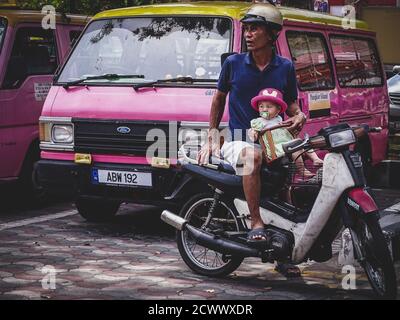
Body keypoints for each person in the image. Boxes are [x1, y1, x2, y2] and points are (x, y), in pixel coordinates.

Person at [197, 3, 307, 277]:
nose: (247, 33)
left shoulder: (285, 67)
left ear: (271, 34)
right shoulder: (233, 63)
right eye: (246, 28)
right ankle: (256, 223)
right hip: (238, 140)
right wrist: (212, 135)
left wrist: (300, 116)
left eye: (254, 28)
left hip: (274, 141)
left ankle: (283, 253)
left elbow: (291, 104)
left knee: (285, 188)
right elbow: (218, 99)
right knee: (253, 156)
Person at [249, 88, 323, 174]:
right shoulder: (258, 121)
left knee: (305, 143)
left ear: (278, 110)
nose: (264, 109)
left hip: (287, 143)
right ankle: (302, 170)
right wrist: (253, 133)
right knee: (296, 146)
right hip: (276, 148)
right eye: (261, 106)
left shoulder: (278, 118)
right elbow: (254, 134)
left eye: (269, 107)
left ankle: (315, 158)